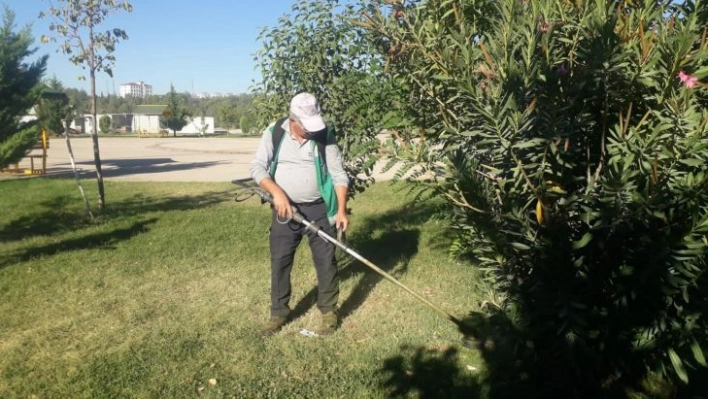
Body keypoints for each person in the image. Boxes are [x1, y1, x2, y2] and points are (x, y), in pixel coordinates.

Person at [249, 92, 350, 336]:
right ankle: (279, 313)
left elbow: (339, 175)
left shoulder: (324, 135)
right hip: (285, 208)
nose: (312, 131)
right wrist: (278, 194)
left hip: (319, 207)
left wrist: (342, 210)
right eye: (307, 126)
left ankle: (328, 312)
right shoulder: (275, 132)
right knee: (280, 261)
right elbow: (257, 168)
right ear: (293, 120)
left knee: (326, 261)